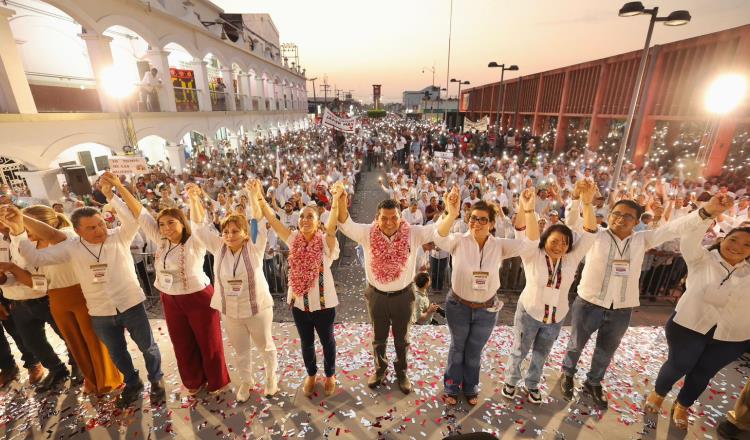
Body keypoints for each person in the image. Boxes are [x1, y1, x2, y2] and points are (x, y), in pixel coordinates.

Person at [0, 188, 165, 408]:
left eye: (101, 225)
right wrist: (19, 232)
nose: (99, 231)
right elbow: (35, 256)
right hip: (100, 312)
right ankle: (132, 382)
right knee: (117, 353)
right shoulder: (71, 247)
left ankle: (156, 381)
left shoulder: (118, 236)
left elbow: (132, 220)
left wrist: (113, 194)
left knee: (148, 346)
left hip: (130, 304)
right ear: (77, 231)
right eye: (91, 228)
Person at [561, 189, 716, 408]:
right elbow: (572, 222)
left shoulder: (642, 239)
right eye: (616, 213)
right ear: (609, 214)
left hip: (622, 309)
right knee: (575, 344)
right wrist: (579, 199)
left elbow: (674, 228)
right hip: (589, 303)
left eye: (627, 216)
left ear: (636, 221)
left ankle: (593, 382)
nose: (619, 219)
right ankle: (567, 374)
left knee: (606, 350)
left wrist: (706, 212)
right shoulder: (595, 234)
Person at [102, 172, 230, 396]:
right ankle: (193, 381)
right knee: (181, 343)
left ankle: (217, 381)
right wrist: (116, 190)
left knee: (208, 342)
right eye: (162, 224)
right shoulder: (159, 238)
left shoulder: (194, 241)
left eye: (171, 222)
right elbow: (140, 213)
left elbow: (198, 222)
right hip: (169, 298)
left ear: (182, 222)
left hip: (198, 297)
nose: (166, 228)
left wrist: (193, 198)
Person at [644, 194, 749, 430]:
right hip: (688, 325)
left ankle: (683, 405)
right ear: (722, 239)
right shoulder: (702, 258)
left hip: (731, 336)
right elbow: (690, 239)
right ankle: (658, 395)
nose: (738, 247)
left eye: (747, 245)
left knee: (703, 374)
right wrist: (708, 212)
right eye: (733, 240)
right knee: (678, 364)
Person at [1, 205, 122, 395]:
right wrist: (12, 269)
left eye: (28, 226)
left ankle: (108, 379)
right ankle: (92, 380)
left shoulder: (65, 235)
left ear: (43, 223)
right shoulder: (30, 246)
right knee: (75, 343)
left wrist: (22, 217)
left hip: (80, 295)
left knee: (93, 341)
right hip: (56, 299)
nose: (25, 230)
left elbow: (53, 236)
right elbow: (37, 282)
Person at [432, 187, 534, 406]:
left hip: (486, 310)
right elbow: (439, 238)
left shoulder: (498, 245)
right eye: (473, 218)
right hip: (458, 306)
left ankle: (470, 387)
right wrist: (451, 213)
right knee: (458, 348)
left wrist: (525, 210)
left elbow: (525, 245)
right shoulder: (458, 240)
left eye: (483, 219)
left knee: (474, 351)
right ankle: (451, 386)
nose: (477, 223)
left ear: (492, 224)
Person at [501, 180, 598, 404]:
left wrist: (588, 203)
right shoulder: (533, 254)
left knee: (541, 354)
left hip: (556, 317)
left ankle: (532, 383)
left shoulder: (571, 258)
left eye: (564, 243)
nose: (559, 246)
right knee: (520, 350)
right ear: (546, 241)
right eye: (554, 241)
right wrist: (528, 209)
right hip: (529, 313)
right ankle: (511, 380)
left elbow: (590, 232)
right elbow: (525, 232)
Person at [336, 192, 437, 394]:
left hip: (404, 296)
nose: (389, 222)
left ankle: (402, 373)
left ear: (401, 219)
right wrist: (340, 201)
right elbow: (346, 224)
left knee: (402, 339)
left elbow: (437, 230)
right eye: (384, 218)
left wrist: (452, 212)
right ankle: (380, 369)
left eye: (393, 218)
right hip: (377, 296)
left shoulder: (413, 233)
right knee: (379, 338)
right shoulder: (366, 233)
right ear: (376, 218)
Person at [187, 182, 278, 402]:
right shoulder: (218, 247)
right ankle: (246, 381)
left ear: (245, 233)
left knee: (265, 346)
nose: (229, 235)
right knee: (241, 351)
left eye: (235, 231)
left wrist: (254, 194)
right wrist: (193, 199)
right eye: (226, 231)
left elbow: (258, 221)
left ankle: (270, 378)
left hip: (257, 308)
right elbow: (198, 228)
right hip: (230, 311)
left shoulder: (254, 246)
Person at [253, 180, 340, 398]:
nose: (305, 219)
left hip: (323, 305)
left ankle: (330, 375)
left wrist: (337, 199)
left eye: (310, 216)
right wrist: (260, 197)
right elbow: (273, 220)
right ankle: (311, 374)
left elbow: (332, 225)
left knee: (327, 341)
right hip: (299, 305)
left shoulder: (326, 242)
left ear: (318, 221)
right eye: (301, 216)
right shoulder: (293, 240)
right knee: (306, 342)